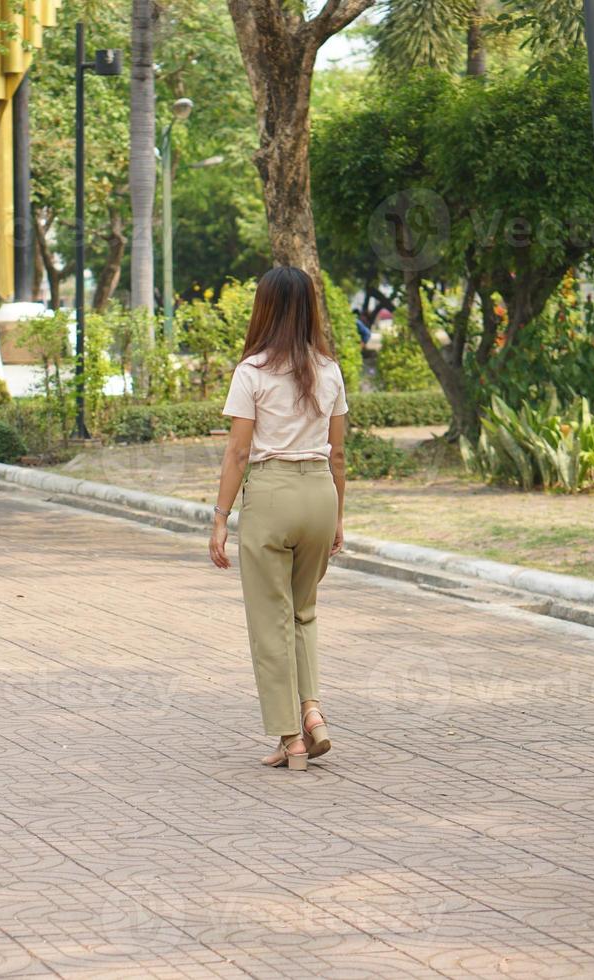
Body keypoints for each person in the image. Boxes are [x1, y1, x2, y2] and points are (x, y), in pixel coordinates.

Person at [208, 266, 348, 772]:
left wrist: (220, 517)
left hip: (270, 496)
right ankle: (313, 712)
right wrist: (337, 517)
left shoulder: (254, 372)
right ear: (310, 307)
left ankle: (291, 737)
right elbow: (338, 455)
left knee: (270, 621)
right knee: (303, 611)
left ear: (264, 308)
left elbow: (239, 452)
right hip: (319, 494)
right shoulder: (329, 370)